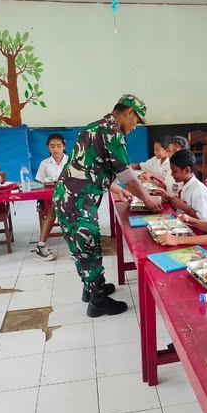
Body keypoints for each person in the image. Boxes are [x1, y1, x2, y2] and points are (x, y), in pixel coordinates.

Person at [54, 94, 162, 318]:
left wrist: (117, 189)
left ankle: (92, 288)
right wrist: (147, 200)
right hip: (78, 202)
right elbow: (127, 175)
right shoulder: (113, 133)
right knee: (89, 246)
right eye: (136, 120)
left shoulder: (93, 128)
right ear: (129, 112)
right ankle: (98, 302)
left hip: (67, 198)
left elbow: (89, 169)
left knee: (81, 248)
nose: (135, 127)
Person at [34, 133, 69, 261]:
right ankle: (41, 246)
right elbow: (40, 182)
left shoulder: (71, 161)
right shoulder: (45, 163)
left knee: (72, 210)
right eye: (52, 146)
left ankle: (76, 246)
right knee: (52, 210)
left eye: (59, 146)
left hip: (68, 196)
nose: (56, 149)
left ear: (64, 147)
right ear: (48, 147)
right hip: (51, 197)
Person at [154, 149, 207, 220]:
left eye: (174, 171)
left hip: (191, 226)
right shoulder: (183, 184)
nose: (171, 174)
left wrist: (185, 208)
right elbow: (179, 204)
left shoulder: (199, 190)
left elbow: (204, 220)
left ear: (187, 170)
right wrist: (168, 198)